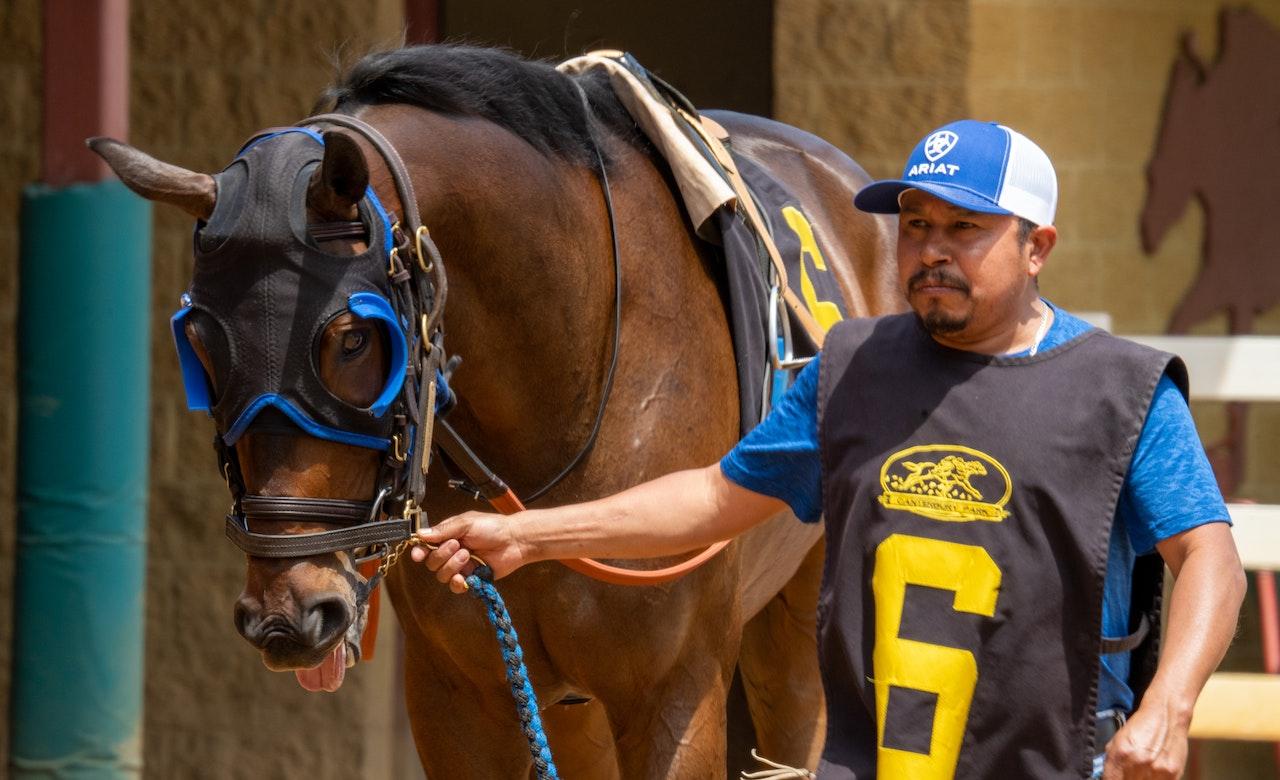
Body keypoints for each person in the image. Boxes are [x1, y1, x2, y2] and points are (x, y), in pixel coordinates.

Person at [411, 119, 1246, 779]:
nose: (931, 251)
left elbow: (1209, 555)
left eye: (965, 228)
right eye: (916, 226)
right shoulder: (852, 369)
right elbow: (711, 500)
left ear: (1038, 247)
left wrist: (1168, 705)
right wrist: (528, 535)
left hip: (1054, 766)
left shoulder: (1123, 391)